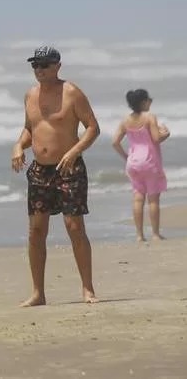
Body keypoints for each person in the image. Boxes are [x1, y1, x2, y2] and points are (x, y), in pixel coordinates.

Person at [11, 46, 100, 307]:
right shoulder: (30, 95)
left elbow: (93, 128)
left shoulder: (72, 92)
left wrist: (75, 151)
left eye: (44, 65)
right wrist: (18, 146)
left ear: (57, 66)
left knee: (74, 228)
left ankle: (87, 289)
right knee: (36, 231)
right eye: (35, 65)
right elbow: (31, 129)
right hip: (39, 171)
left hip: (68, 169)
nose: (39, 70)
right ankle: (38, 293)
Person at [111, 89, 170, 242]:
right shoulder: (149, 117)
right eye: (149, 100)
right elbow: (156, 138)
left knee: (138, 198)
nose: (151, 102)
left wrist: (126, 156)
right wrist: (166, 133)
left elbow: (115, 142)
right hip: (150, 162)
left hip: (133, 163)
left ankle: (139, 235)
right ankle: (155, 234)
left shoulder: (125, 120)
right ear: (143, 102)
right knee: (153, 199)